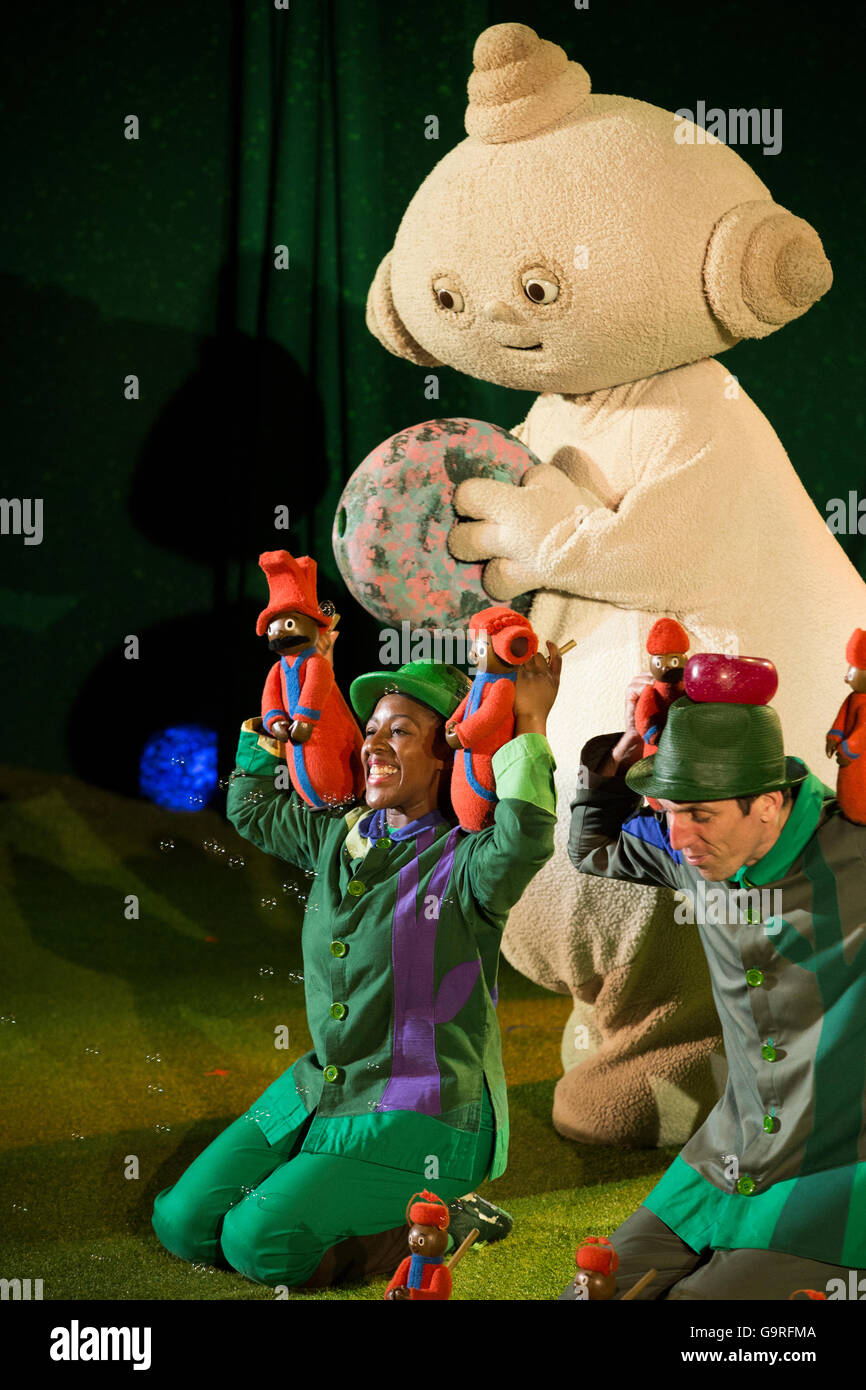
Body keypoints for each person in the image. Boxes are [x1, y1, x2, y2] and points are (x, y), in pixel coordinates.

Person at [152, 639, 560, 1289]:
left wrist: (530, 723)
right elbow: (251, 809)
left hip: (419, 1113)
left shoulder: (469, 860)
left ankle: (440, 1216)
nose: (373, 744)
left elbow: (528, 835)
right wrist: (267, 729)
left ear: (450, 752)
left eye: (401, 731)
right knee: (183, 1222)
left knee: (261, 1243)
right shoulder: (341, 832)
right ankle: (366, 1195)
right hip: (321, 1086)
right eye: (370, 731)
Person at [559, 672, 866, 1300]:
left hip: (839, 1174)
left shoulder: (855, 851)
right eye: (669, 812)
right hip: (725, 1155)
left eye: (700, 814)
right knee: (592, 1292)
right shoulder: (693, 851)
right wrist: (616, 762)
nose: (679, 837)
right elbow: (594, 847)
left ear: (771, 803)